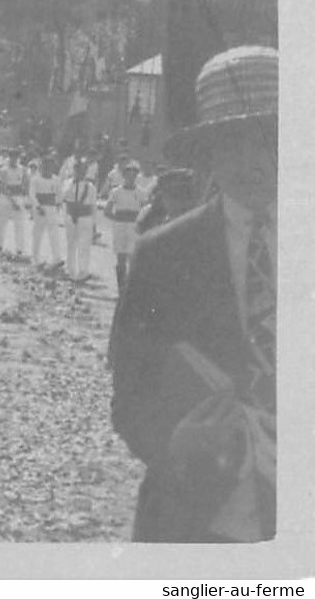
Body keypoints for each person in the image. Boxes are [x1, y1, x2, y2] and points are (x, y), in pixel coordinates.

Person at [111, 45, 277, 542]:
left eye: (269, 139)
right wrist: (175, 444)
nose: (253, 160)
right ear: (206, 155)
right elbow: (130, 401)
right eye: (230, 143)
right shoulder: (163, 255)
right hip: (195, 519)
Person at [103, 161, 147, 296]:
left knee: (133, 256)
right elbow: (107, 210)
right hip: (120, 226)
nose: (131, 177)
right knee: (121, 257)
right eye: (128, 174)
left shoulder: (141, 192)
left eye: (134, 175)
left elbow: (146, 210)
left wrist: (140, 222)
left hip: (133, 227)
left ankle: (131, 289)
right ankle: (121, 288)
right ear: (124, 175)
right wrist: (118, 218)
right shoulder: (116, 191)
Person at [62, 158, 98, 282]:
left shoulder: (91, 187)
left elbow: (93, 206)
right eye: (77, 169)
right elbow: (63, 198)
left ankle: (83, 272)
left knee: (84, 245)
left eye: (83, 170)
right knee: (71, 244)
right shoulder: (67, 183)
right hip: (71, 216)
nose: (80, 172)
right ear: (74, 170)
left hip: (85, 217)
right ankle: (70, 271)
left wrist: (94, 225)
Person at [29, 152, 65, 271]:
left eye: (50, 165)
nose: (48, 168)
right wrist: (37, 206)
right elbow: (32, 195)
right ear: (42, 166)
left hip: (52, 208)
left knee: (54, 233)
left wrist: (59, 204)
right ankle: (35, 258)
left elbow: (59, 194)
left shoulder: (56, 179)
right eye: (46, 165)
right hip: (40, 209)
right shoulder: (35, 179)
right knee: (37, 234)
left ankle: (57, 258)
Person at [0, 147, 30, 259]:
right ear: (9, 158)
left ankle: (19, 250)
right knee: (2, 223)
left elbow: (26, 185)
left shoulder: (23, 170)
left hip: (18, 197)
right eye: (12, 157)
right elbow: (2, 187)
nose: (14, 159)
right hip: (6, 198)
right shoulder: (3, 170)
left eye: (16, 157)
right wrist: (12, 200)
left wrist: (25, 199)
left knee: (19, 224)